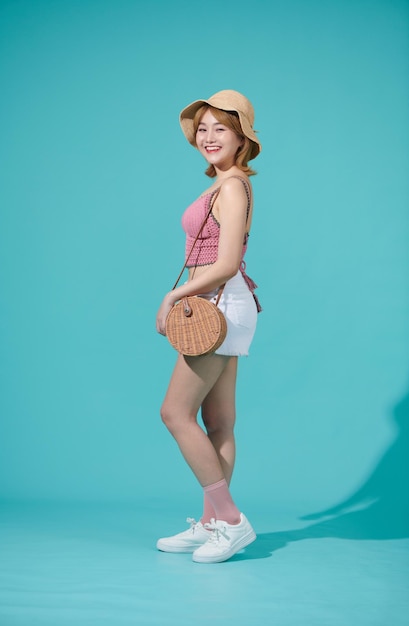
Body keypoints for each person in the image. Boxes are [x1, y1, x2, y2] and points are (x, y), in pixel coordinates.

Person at [155, 90, 262, 564]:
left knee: (175, 414)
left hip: (220, 302)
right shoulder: (219, 184)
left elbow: (225, 263)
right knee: (217, 421)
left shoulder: (234, 186)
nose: (209, 136)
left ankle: (232, 520)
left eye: (221, 127)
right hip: (221, 303)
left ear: (241, 138)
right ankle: (210, 524)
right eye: (203, 128)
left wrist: (173, 295)